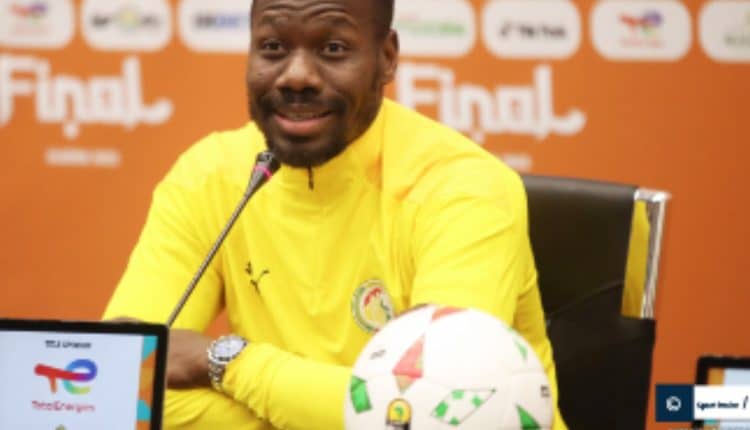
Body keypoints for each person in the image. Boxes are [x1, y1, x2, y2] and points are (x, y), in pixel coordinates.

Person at [104, 0, 568, 429]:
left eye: (332, 49)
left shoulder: (464, 188)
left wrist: (230, 363)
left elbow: (435, 412)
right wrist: (350, 411)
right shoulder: (210, 176)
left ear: (386, 58)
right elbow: (119, 379)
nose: (296, 76)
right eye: (273, 47)